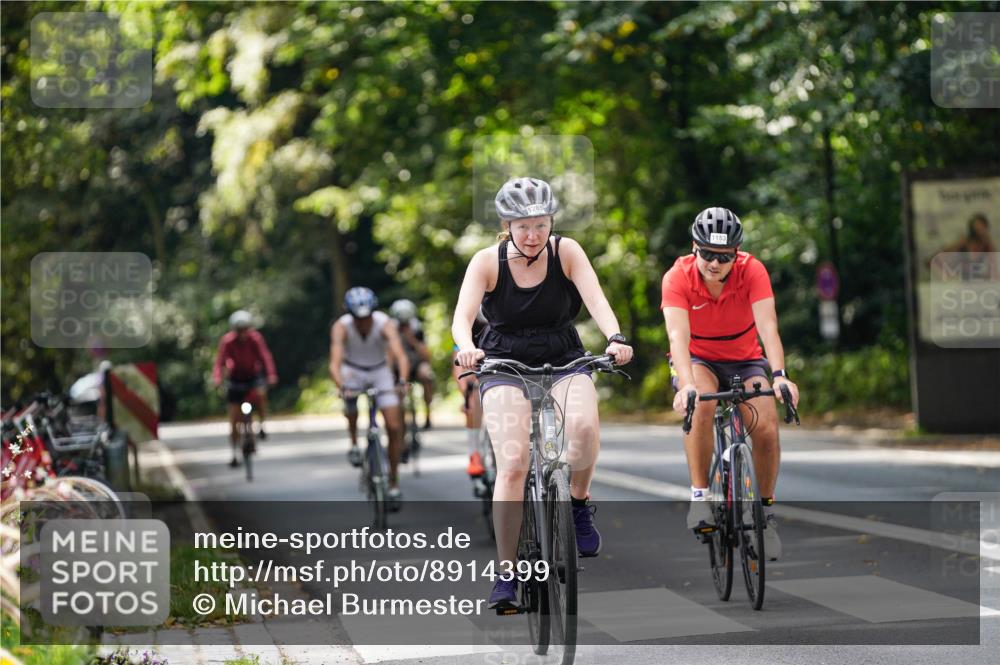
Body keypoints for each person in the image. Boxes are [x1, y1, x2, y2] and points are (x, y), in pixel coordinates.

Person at [452, 176, 634, 611]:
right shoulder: (486, 261)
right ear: (506, 224)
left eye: (541, 224)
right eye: (523, 226)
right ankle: (506, 573)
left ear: (552, 221)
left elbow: (596, 299)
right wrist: (467, 350)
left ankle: (577, 503)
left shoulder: (565, 251)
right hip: (504, 363)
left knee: (585, 428)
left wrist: (615, 336)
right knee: (513, 463)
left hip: (563, 354)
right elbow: (461, 319)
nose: (533, 235)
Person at [661, 207, 800, 561]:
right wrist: (686, 385)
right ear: (695, 247)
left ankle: (765, 516)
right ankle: (699, 497)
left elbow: (768, 327)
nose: (714, 263)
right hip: (698, 359)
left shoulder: (752, 271)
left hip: (745, 359)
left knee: (766, 426)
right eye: (707, 253)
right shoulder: (677, 277)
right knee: (703, 402)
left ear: (736, 254)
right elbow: (677, 336)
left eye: (724, 257)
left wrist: (781, 376)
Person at [329, 287, 410, 505]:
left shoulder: (384, 323)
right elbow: (335, 364)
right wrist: (342, 385)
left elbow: (401, 356)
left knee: (393, 427)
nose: (363, 322)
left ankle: (393, 482)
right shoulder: (341, 327)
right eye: (358, 318)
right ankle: (354, 443)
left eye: (367, 317)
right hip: (353, 370)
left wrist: (402, 380)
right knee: (350, 401)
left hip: (380, 370)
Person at [212, 310, 278, 467]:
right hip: (235, 380)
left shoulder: (255, 339)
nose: (242, 333)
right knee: (234, 419)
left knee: (261, 394)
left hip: (252, 378)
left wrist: (271, 374)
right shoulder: (227, 341)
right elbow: (220, 362)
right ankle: (234, 453)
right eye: (239, 330)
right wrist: (217, 378)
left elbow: (265, 357)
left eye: (245, 329)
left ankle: (262, 424)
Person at [451, 308, 489, 487]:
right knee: (472, 402)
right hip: (475, 373)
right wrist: (466, 391)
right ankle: (474, 454)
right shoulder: (468, 331)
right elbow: (458, 368)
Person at [388, 299, 435, 430]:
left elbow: (426, 355)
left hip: (417, 364)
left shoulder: (417, 328)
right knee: (394, 385)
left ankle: (428, 413)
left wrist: (412, 339)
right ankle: (399, 418)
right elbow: (389, 355)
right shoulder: (390, 329)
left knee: (427, 375)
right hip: (398, 367)